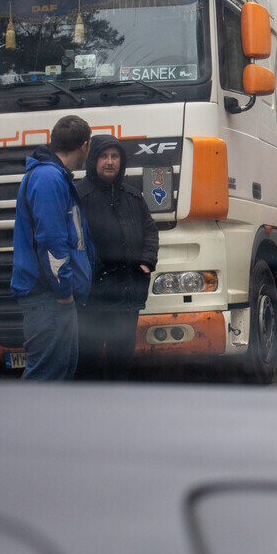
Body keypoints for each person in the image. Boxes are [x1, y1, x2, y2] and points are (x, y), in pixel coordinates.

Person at [10, 115, 94, 380]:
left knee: (60, 373)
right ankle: (25, 422)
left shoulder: (55, 175)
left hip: (54, 295)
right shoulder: (48, 178)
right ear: (85, 145)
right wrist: (64, 291)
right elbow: (51, 242)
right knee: (45, 377)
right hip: (48, 295)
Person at [76, 134, 158, 381]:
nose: (109, 162)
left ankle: (117, 411)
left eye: (114, 156)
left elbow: (150, 230)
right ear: (92, 160)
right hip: (92, 298)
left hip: (128, 295)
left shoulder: (133, 196)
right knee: (86, 361)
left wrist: (146, 262)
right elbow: (70, 241)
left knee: (121, 360)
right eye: (103, 156)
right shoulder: (79, 196)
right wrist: (95, 273)